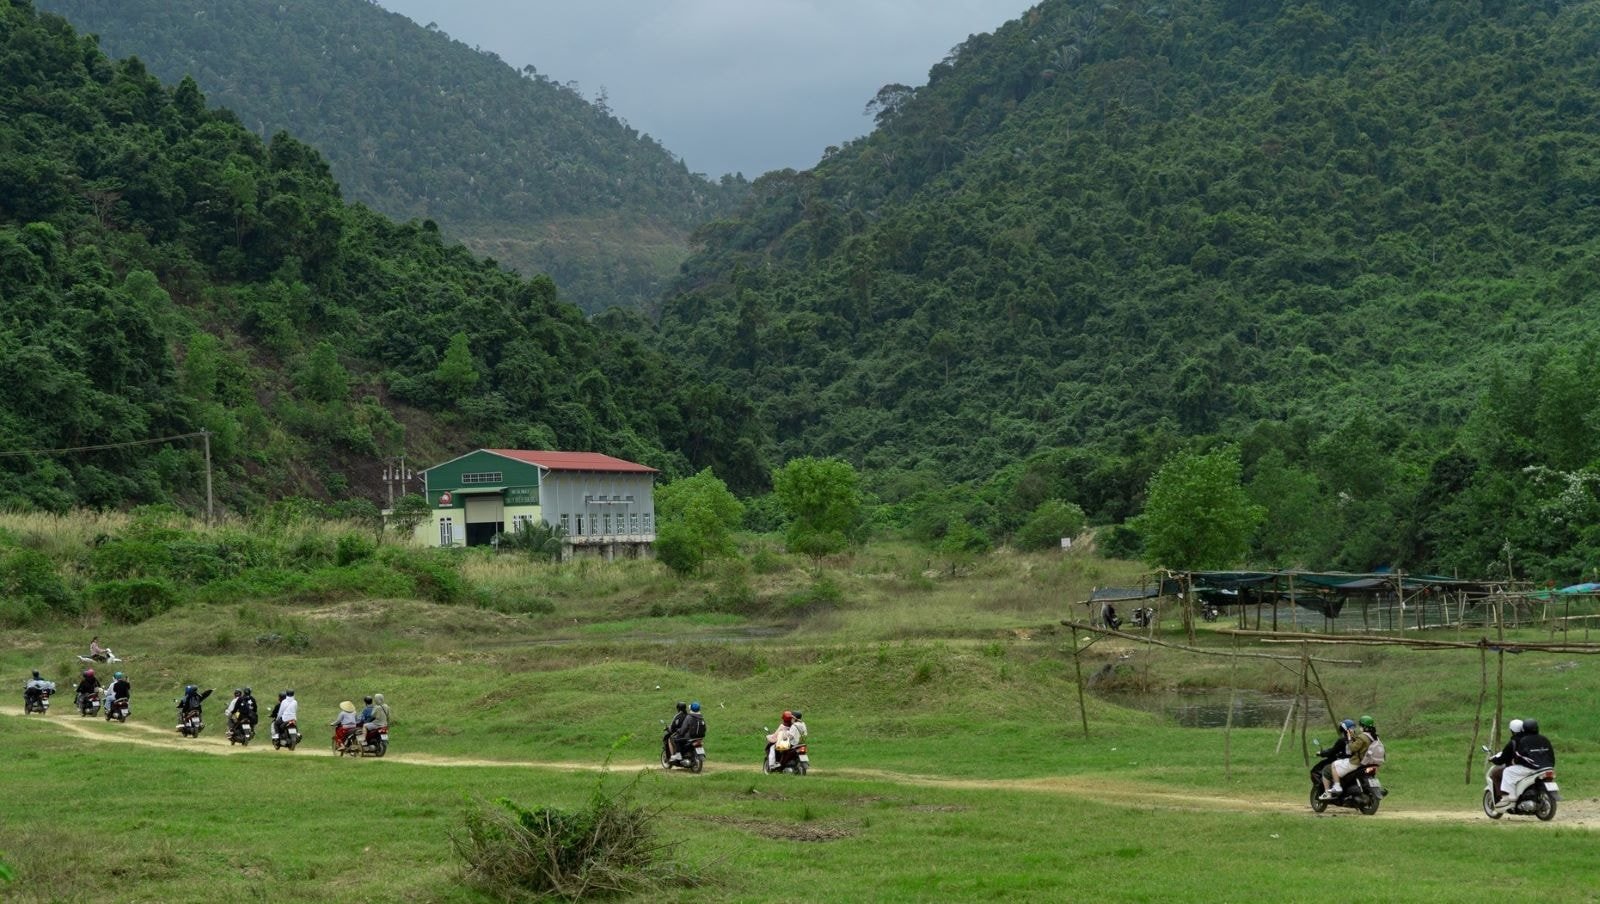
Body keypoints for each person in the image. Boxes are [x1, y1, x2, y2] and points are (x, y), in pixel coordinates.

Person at [1495, 718, 1556, 810]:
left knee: (1508, 771)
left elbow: (1519, 756)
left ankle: (1510, 798)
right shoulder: (1544, 739)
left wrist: (1515, 761)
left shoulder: (1524, 740)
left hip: (1533, 768)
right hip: (1548, 766)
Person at [1319, 719, 1370, 799]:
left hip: (1348, 762)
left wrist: (1322, 753)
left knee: (1326, 770)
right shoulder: (1357, 739)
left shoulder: (1342, 740)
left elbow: (1332, 751)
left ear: (1343, 729)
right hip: (1359, 762)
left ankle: (1327, 793)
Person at [1488, 718, 1524, 804]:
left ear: (1512, 730)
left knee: (1495, 773)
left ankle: (1504, 797)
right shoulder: (1530, 740)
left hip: (1518, 767)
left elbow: (1502, 759)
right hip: (1533, 766)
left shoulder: (1513, 742)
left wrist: (1493, 759)